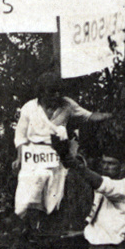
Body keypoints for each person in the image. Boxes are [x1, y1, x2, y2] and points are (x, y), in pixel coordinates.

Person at [12, 71, 111, 221]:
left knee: (54, 192)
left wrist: (111, 115)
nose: (56, 95)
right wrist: (20, 157)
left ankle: (48, 222)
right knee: (30, 191)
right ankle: (27, 223)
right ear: (42, 92)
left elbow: (89, 116)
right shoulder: (29, 107)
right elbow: (20, 135)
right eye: (52, 92)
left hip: (56, 152)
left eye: (59, 91)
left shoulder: (67, 105)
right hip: (33, 154)